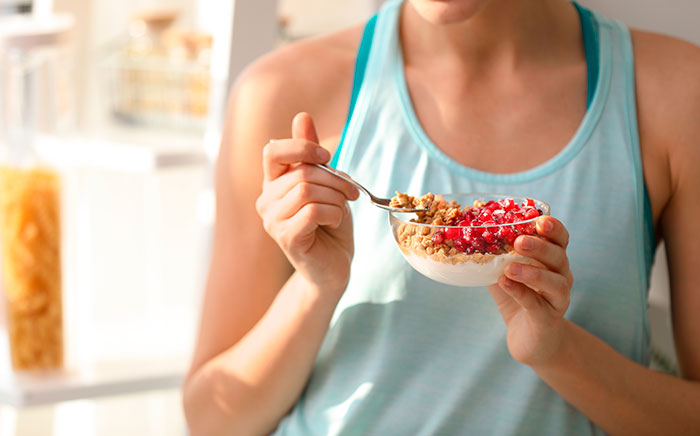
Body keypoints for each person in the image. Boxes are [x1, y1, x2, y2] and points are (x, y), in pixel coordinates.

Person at [182, 0, 700, 434]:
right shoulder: (281, 93)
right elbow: (213, 419)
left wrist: (557, 352)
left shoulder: (675, 94)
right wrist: (316, 287)